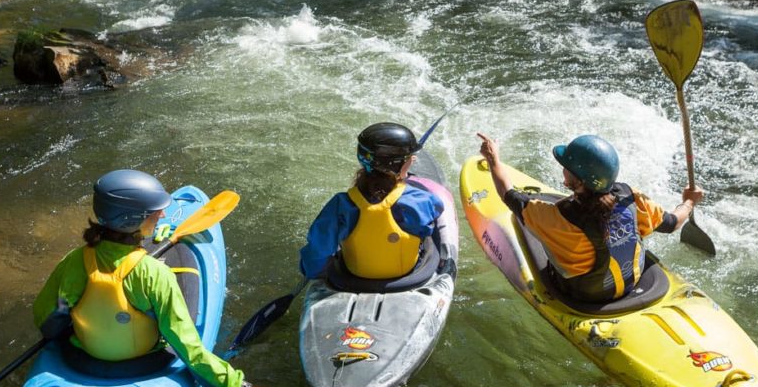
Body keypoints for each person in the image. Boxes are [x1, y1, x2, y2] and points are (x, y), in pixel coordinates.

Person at [33, 169, 282, 387]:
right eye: (156, 211)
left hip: (84, 358)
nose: (163, 214)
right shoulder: (155, 274)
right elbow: (190, 350)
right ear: (133, 220)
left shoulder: (73, 262)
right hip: (144, 363)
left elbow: (47, 316)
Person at [477, 132, 704, 303]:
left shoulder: (557, 218)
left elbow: (509, 195)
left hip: (585, 295)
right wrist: (689, 201)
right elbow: (672, 223)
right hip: (631, 284)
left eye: (565, 167)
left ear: (575, 181)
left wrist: (493, 159)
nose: (563, 169)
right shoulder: (631, 198)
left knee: (540, 236)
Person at [300, 122, 445, 280]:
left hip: (354, 277)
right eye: (410, 159)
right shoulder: (421, 199)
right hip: (407, 277)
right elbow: (436, 212)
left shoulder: (339, 204)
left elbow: (318, 250)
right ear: (399, 165)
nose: (413, 161)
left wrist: (314, 273)